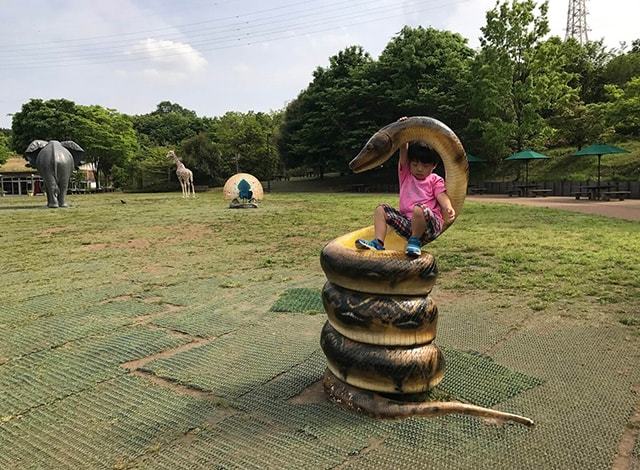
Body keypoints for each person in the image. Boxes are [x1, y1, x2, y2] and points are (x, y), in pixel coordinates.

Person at [355, 137, 456, 257]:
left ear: (433, 166)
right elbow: (403, 152)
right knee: (381, 209)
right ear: (409, 163)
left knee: (418, 209)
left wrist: (447, 206)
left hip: (430, 225)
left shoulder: (435, 180)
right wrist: (404, 135)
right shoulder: (406, 174)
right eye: (415, 164)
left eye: (424, 166)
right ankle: (378, 242)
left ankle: (415, 241)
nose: (419, 169)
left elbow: (441, 195)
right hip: (408, 224)